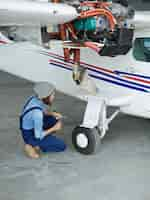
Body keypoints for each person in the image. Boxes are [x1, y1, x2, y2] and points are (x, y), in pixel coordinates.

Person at [19, 82, 66, 159]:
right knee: (61, 146)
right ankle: (32, 145)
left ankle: (43, 140)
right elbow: (38, 136)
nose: (54, 97)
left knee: (54, 119)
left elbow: (43, 111)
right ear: (45, 97)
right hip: (31, 134)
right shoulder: (37, 114)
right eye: (52, 95)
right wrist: (54, 128)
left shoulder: (34, 98)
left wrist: (52, 114)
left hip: (33, 125)